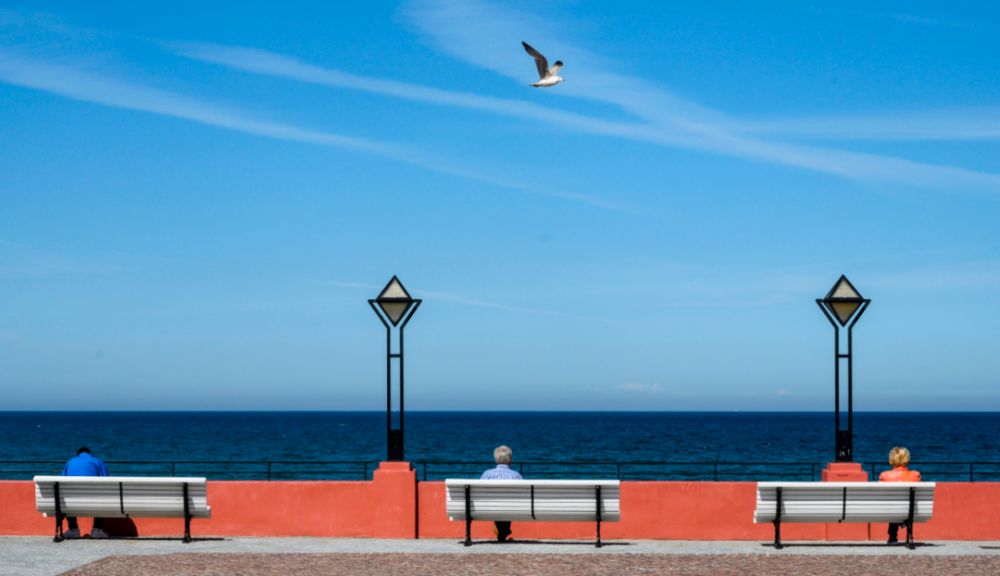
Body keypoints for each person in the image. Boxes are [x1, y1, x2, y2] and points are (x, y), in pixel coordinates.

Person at [62, 447, 110, 539]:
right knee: (103, 496)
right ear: (90, 454)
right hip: (94, 502)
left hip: (72, 502)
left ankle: (73, 529)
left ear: (78, 455)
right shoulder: (98, 461)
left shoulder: (69, 462)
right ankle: (97, 530)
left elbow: (61, 481)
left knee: (66, 496)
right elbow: (106, 480)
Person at [878, 446, 921, 545]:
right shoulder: (916, 475)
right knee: (901, 505)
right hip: (909, 510)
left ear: (892, 459)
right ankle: (905, 530)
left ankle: (892, 536)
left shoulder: (884, 476)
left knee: (894, 505)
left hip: (890, 510)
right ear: (907, 459)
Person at [481, 445, 523, 542]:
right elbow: (522, 494)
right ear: (510, 459)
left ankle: (502, 532)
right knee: (507, 504)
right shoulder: (516, 475)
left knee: (496, 504)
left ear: (495, 459)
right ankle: (503, 531)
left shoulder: (486, 474)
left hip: (490, 507)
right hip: (511, 507)